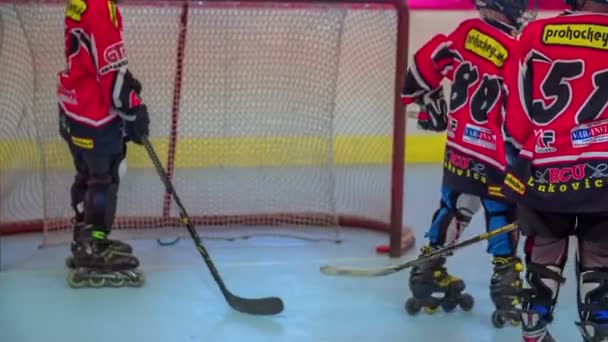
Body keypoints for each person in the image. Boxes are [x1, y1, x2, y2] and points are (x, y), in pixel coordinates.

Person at [401, 0, 535, 328]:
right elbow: (520, 117)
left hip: (459, 148)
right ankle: (507, 289)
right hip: (495, 156)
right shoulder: (516, 51)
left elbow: (422, 65)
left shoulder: (464, 33)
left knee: (454, 207)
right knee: (502, 214)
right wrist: (527, 157)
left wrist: (429, 100)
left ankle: (427, 271)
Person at [502, 0, 608, 340]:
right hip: (605, 177)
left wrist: (520, 157)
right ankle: (598, 326)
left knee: (542, 256)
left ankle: (534, 331)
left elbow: (515, 116)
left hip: (546, 172)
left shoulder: (534, 34)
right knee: (601, 263)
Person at [58, 0, 149, 288]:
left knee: (87, 175)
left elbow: (93, 59)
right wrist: (134, 110)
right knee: (104, 178)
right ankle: (94, 247)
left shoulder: (81, 3)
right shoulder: (101, 8)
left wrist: (127, 85)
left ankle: (86, 237)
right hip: (94, 116)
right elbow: (112, 76)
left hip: (73, 109)